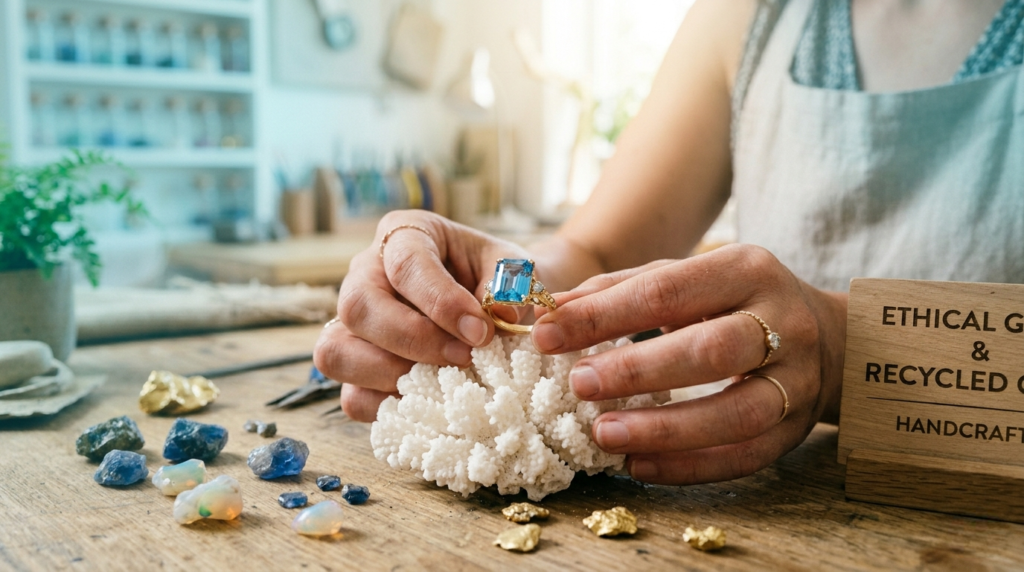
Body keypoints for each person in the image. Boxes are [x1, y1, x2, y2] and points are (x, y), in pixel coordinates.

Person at [314, 0, 1024, 486]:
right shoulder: (746, 16)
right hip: (779, 501)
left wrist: (845, 350)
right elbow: (596, 255)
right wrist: (496, 276)